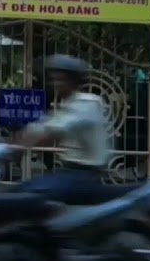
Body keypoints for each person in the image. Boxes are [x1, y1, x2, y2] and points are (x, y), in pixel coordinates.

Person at [17, 55, 110, 204]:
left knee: (30, 197)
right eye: (54, 79)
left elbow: (53, 132)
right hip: (68, 173)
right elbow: (43, 127)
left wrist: (22, 145)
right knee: (22, 190)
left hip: (85, 176)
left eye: (61, 79)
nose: (56, 84)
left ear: (74, 81)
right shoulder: (67, 105)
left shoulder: (87, 103)